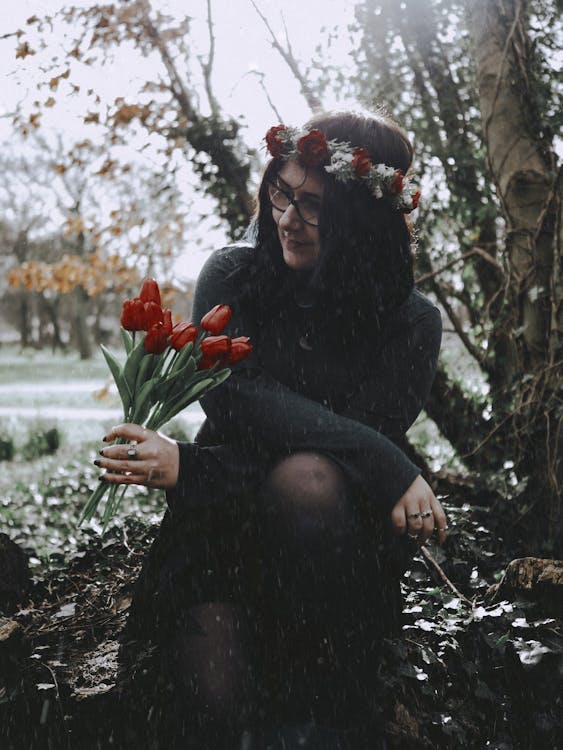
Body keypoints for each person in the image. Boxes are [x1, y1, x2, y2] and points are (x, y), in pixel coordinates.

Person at [96, 110, 446, 749]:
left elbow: (338, 470)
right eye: (281, 193)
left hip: (334, 543)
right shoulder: (232, 276)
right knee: (216, 704)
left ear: (363, 220)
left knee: (310, 479)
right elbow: (239, 404)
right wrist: (385, 457)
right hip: (226, 524)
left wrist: (369, 457)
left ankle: (328, 693)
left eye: (314, 206)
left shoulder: (410, 322)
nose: (287, 218)